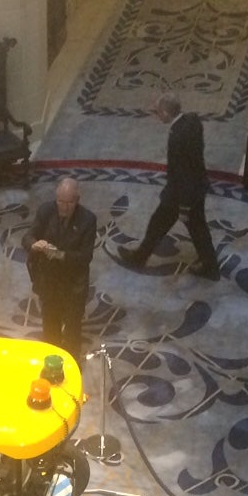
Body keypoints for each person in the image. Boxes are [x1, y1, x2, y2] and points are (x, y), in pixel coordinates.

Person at [115, 93, 220, 280]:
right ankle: (208, 264)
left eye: (157, 112)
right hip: (195, 187)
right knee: (186, 227)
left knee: (189, 227)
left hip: (182, 193)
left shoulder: (177, 138)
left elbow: (183, 173)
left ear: (165, 113)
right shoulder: (193, 120)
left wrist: (184, 207)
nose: (156, 116)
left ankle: (209, 267)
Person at [26, 177, 98, 360]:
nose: (64, 207)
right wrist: (34, 244)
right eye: (60, 202)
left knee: (73, 327)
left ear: (77, 200)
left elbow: (85, 257)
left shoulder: (88, 220)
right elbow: (28, 236)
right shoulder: (46, 211)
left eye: (69, 203)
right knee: (50, 323)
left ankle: (71, 363)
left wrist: (59, 255)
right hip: (48, 280)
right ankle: (51, 360)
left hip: (73, 283)